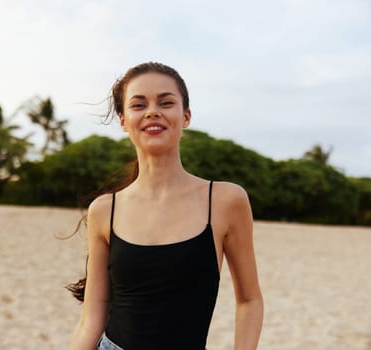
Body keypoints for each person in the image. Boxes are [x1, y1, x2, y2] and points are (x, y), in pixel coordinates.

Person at [68, 62, 263, 349]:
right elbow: (91, 317)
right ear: (123, 121)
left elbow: (249, 300)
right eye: (138, 104)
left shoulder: (225, 200)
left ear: (185, 116)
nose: (152, 111)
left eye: (166, 102)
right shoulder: (104, 210)